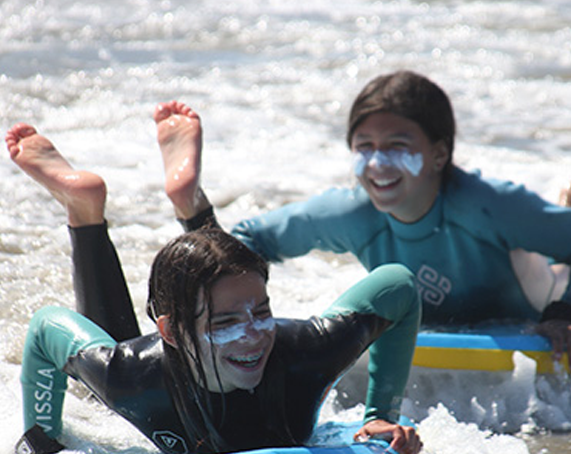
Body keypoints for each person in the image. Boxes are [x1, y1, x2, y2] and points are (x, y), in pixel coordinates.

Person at [5, 102, 423, 454]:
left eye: (262, 312)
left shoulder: (307, 352)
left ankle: (190, 202)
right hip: (157, 359)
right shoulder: (130, 377)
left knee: (226, 276)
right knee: (103, 389)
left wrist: (379, 415)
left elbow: (399, 284)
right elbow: (46, 327)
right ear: (167, 331)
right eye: (225, 325)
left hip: (205, 312)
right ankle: (84, 210)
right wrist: (41, 439)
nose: (253, 335)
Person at [175, 70, 571, 361]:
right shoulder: (351, 212)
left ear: (439, 154)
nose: (378, 163)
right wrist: (196, 215)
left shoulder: (488, 204)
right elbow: (245, 244)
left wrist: (561, 313)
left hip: (524, 311)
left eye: (397, 145)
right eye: (365, 146)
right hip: (442, 324)